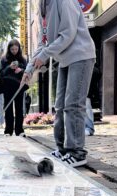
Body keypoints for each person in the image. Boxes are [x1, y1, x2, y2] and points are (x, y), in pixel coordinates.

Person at [22, 0, 96, 167]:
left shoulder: (64, 1)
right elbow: (43, 42)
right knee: (60, 106)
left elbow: (68, 34)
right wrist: (29, 68)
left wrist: (45, 55)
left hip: (80, 55)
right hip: (63, 59)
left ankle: (77, 152)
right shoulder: (42, 7)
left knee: (73, 105)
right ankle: (62, 149)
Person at [0, 39, 27, 137]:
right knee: (8, 109)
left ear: (19, 49)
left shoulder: (23, 59)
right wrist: (9, 67)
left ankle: (19, 130)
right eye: (12, 49)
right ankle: (8, 130)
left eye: (16, 49)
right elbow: (1, 73)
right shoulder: (4, 59)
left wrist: (21, 70)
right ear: (9, 49)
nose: (14, 51)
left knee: (19, 109)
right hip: (7, 87)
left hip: (19, 87)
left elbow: (27, 73)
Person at [85, 64, 102, 136]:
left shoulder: (93, 69)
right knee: (86, 109)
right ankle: (88, 128)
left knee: (86, 109)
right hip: (87, 92)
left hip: (87, 92)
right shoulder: (95, 69)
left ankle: (89, 128)